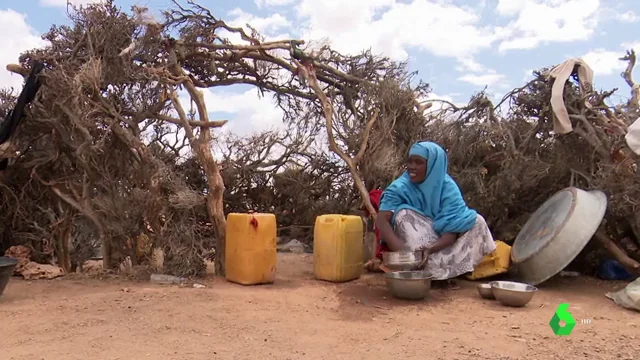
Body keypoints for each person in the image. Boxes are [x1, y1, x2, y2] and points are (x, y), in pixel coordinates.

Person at [375, 141, 497, 287]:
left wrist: (431, 249)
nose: (412, 167)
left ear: (433, 165)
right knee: (403, 214)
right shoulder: (399, 187)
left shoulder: (448, 188)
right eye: (410, 161)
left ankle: (442, 274)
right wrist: (402, 252)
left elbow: (452, 230)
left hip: (441, 243)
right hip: (414, 245)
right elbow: (382, 220)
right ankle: (419, 271)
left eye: (419, 162)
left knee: (477, 221)